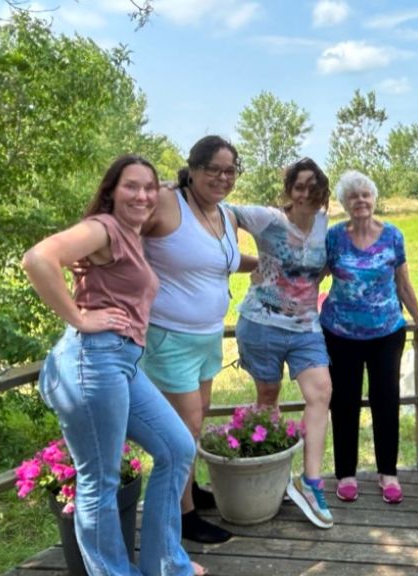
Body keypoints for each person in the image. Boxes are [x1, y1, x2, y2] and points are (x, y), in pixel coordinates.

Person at [23, 155, 199, 576]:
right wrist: (80, 317)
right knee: (99, 480)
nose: (141, 194)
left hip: (123, 361)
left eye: (149, 187)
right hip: (93, 359)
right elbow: (38, 259)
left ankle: (165, 564)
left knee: (177, 448)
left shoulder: (133, 235)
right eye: (131, 186)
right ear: (111, 191)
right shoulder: (103, 228)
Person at [140, 135, 255, 545]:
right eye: (214, 170)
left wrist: (265, 265)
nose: (223, 178)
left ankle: (189, 492)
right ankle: (181, 514)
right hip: (168, 337)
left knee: (196, 419)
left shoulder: (224, 214)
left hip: (207, 338)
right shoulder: (169, 202)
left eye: (230, 171)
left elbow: (221, 259)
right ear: (193, 169)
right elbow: (120, 232)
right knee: (183, 426)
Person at [230, 157, 334, 529]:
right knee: (268, 399)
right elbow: (226, 211)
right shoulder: (269, 219)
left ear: (322, 193)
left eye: (313, 186)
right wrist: (232, 256)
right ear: (289, 189)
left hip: (306, 327)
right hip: (261, 324)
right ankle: (271, 477)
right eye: (299, 185)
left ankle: (311, 481)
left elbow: (327, 265)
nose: (305, 192)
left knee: (321, 393)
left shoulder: (324, 224)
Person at [320, 170, 418, 505]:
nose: (360, 201)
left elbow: (404, 284)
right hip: (340, 334)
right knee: (344, 402)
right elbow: (315, 279)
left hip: (386, 334)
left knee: (386, 400)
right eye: (353, 197)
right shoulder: (334, 237)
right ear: (344, 203)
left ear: (374, 199)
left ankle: (388, 473)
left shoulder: (393, 235)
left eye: (365, 195)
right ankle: (346, 474)